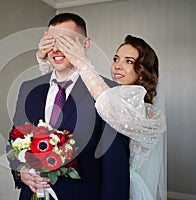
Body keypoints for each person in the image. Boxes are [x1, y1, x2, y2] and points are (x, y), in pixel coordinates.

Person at [8, 13, 130, 200]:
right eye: (51, 41)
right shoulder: (28, 88)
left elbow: (115, 167)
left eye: (65, 42)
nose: (56, 49)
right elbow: (14, 141)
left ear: (85, 44)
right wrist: (21, 170)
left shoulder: (109, 93)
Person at [37, 33, 167, 199]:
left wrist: (82, 62)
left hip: (123, 189)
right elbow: (60, 91)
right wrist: (45, 63)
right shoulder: (110, 96)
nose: (118, 66)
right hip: (98, 184)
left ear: (142, 72)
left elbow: (110, 106)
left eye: (129, 61)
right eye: (116, 59)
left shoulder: (147, 113)